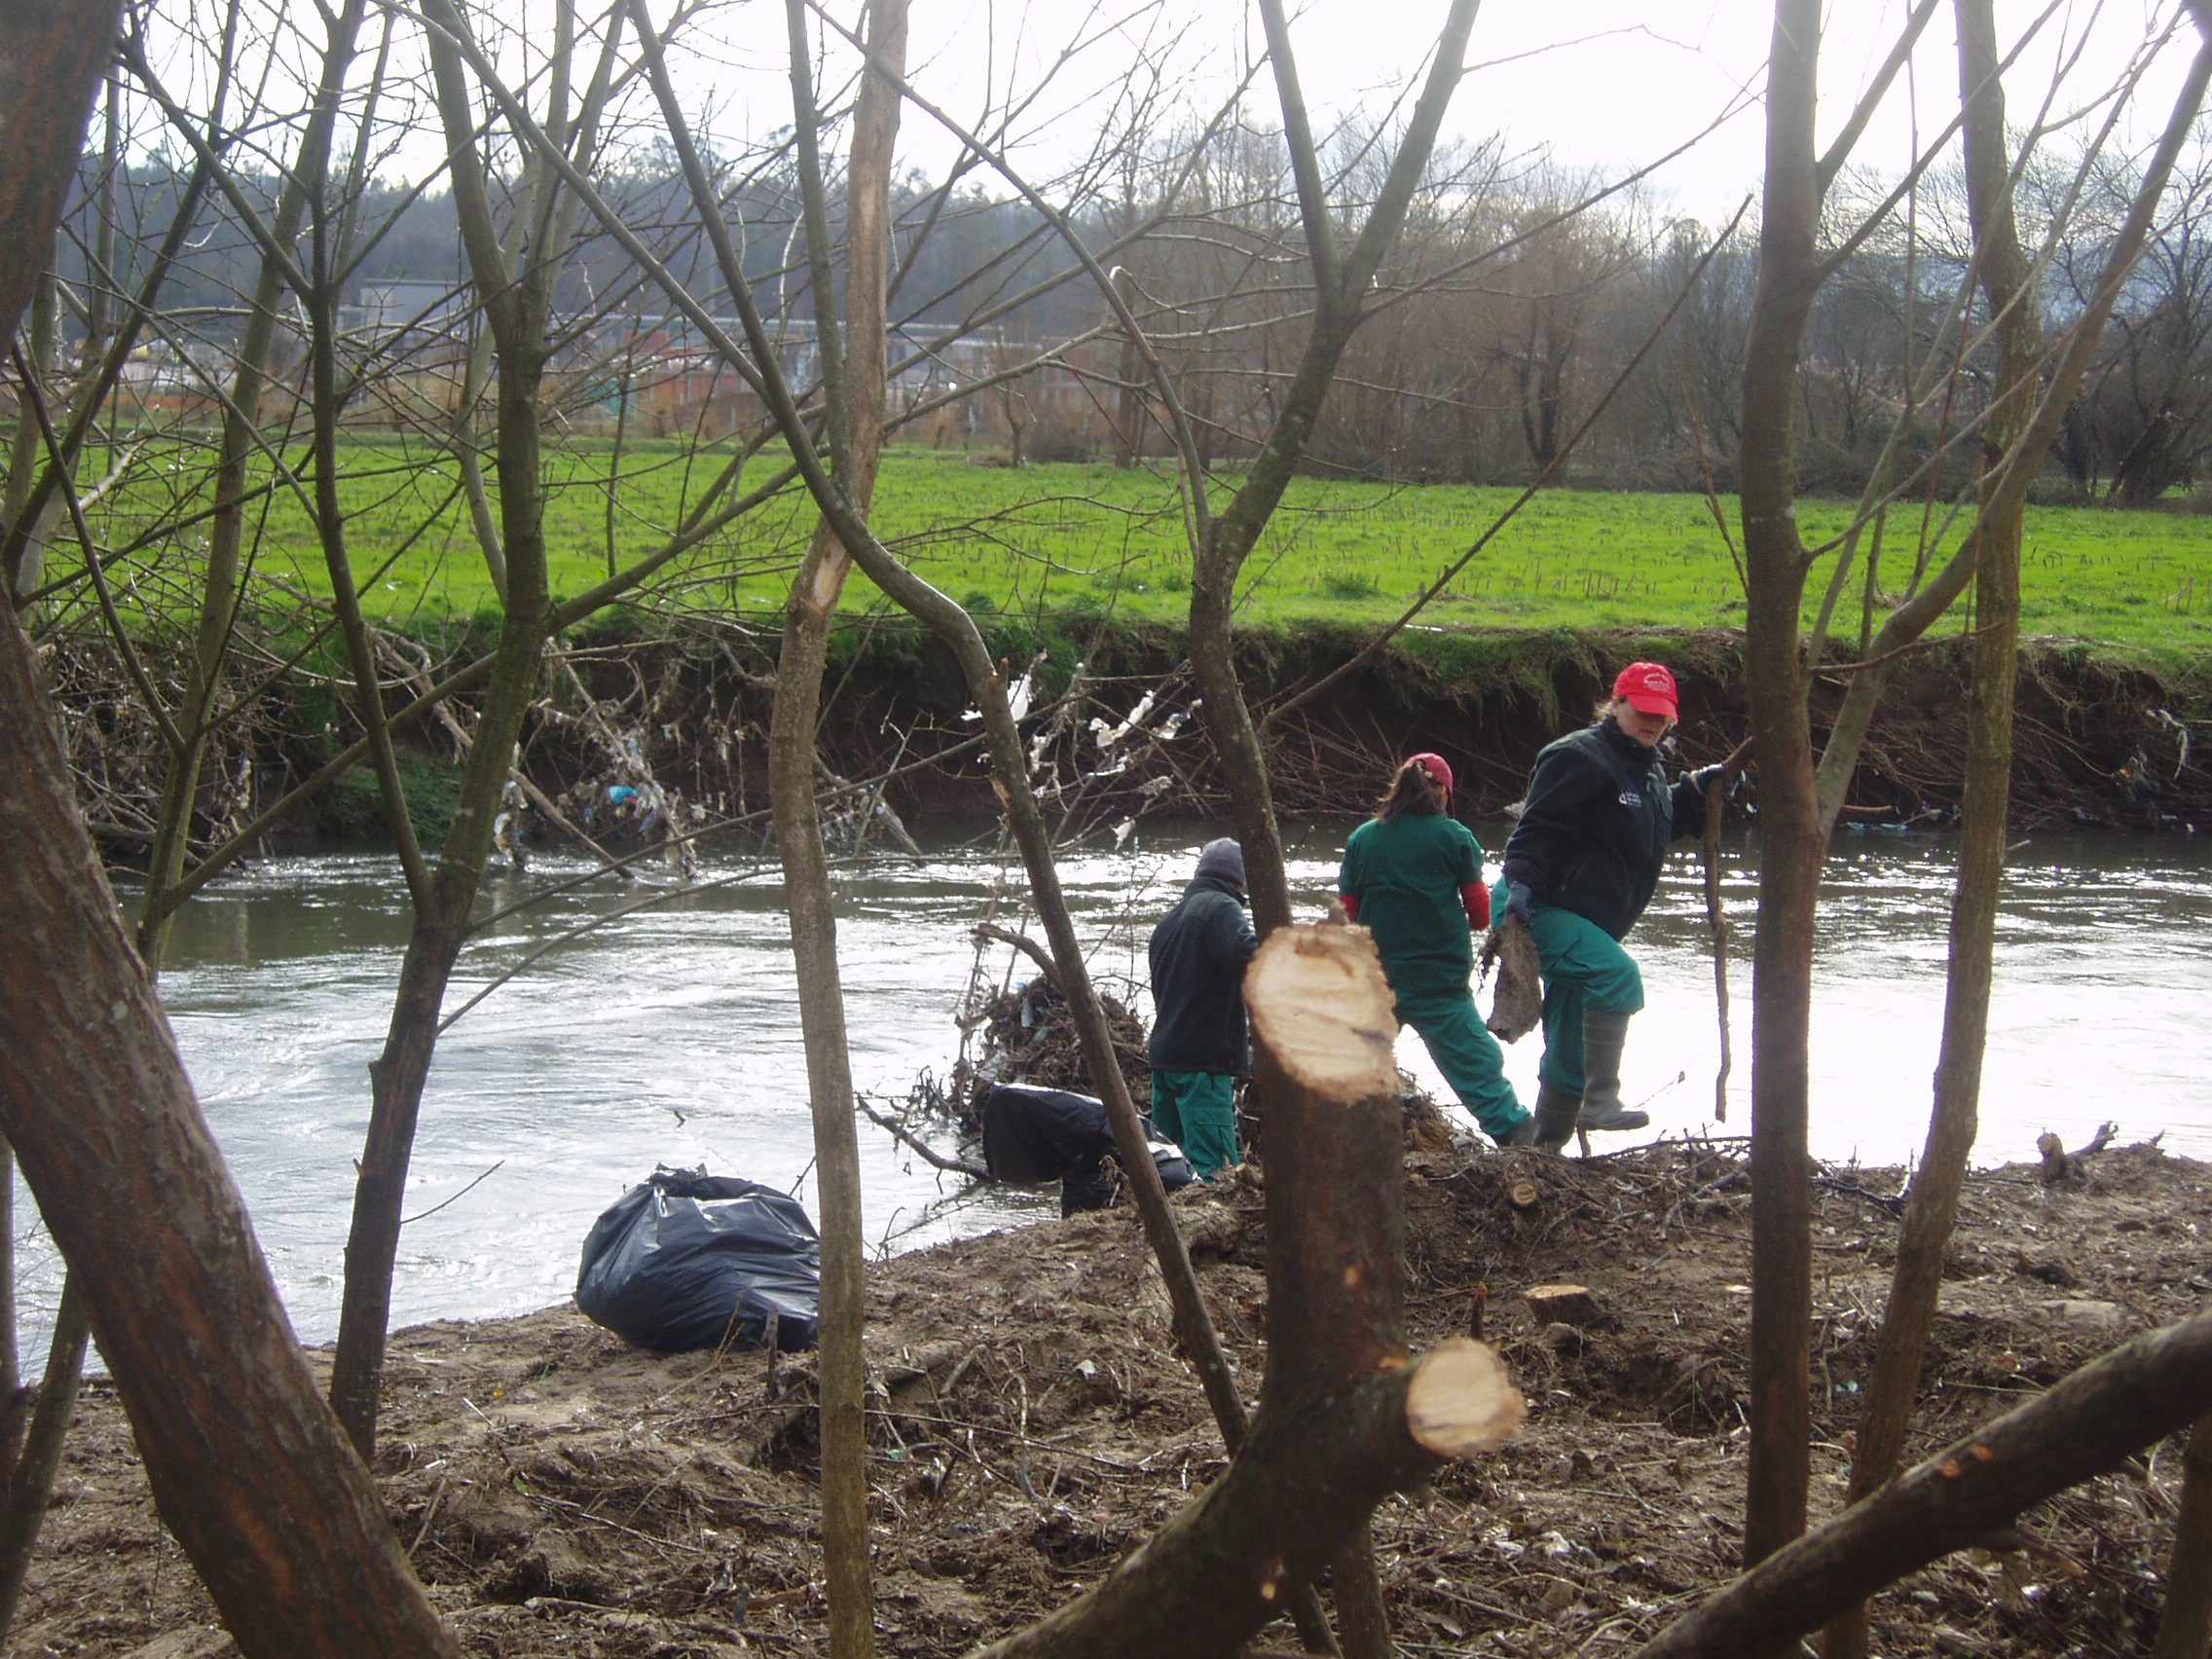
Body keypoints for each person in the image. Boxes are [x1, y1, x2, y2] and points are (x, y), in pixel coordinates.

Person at [1499, 661, 1725, 1152]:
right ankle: (1601, 1099)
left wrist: (1695, 793)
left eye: (1661, 717)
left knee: (1570, 1046)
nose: (1651, 723)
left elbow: (1650, 825)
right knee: (1617, 978)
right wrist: (1519, 889)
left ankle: (1541, 1155)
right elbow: (1537, 830)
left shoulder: (1648, 767)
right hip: (1539, 903)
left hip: (1587, 920)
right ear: (1616, 702)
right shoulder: (1576, 757)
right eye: (1642, 711)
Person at [1338, 755, 1534, 1148]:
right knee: (1475, 1066)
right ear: (1443, 791)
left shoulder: (1364, 838)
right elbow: (1480, 913)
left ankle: (1343, 1144)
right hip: (1439, 982)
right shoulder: (1455, 837)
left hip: (1377, 978)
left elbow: (1348, 913)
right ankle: (1520, 1139)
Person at [1146, 838, 1259, 1180]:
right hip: (1203, 1062)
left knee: (1166, 1162)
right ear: (1238, 879)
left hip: (1166, 1058)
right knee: (1216, 1168)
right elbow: (1251, 958)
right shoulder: (1222, 908)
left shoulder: (1168, 922)